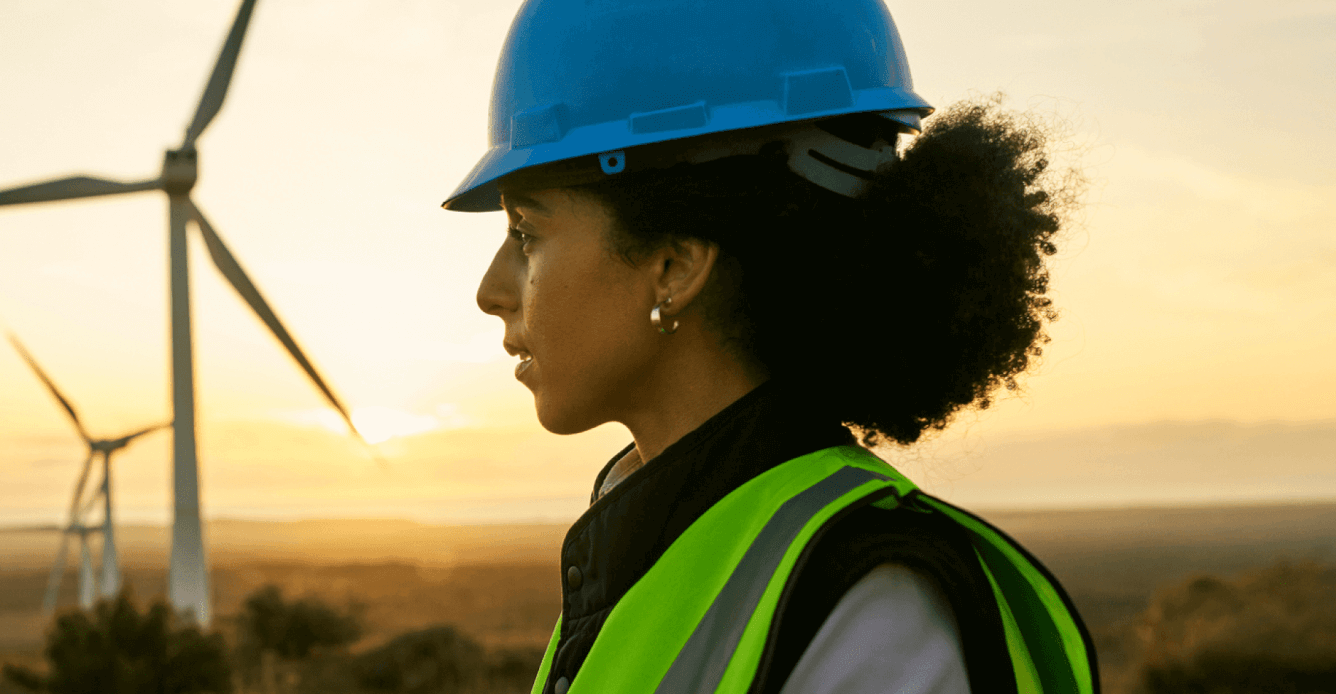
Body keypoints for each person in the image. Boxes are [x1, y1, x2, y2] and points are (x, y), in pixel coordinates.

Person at [445, 1, 1096, 693]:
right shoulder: (653, 548)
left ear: (675, 265)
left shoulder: (870, 610)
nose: (491, 290)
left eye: (525, 232)